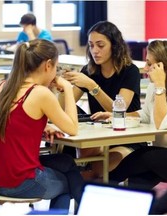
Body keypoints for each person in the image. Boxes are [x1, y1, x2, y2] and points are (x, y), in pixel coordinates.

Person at [0, 39, 83, 212]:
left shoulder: (2, 87)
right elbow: (72, 128)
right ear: (48, 65)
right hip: (20, 182)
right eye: (57, 67)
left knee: (65, 161)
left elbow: (14, 122)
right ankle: (88, 210)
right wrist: (68, 88)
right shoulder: (40, 93)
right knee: (69, 182)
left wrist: (43, 126)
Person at [105, 40, 167, 188]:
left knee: (146, 156)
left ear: (162, 67)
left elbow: (163, 124)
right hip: (166, 155)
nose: (145, 68)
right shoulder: (154, 87)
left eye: (149, 64)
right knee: (139, 176)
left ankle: (104, 182)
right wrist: (115, 116)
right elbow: (146, 116)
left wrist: (160, 85)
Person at [60, 21, 143, 178]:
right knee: (72, 118)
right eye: (91, 46)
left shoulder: (129, 71)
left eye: (100, 45)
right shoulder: (89, 70)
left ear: (114, 46)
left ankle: (77, 182)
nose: (95, 51)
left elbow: (119, 110)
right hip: (99, 134)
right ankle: (76, 180)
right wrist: (61, 88)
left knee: (96, 168)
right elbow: (64, 106)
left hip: (126, 136)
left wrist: (93, 87)